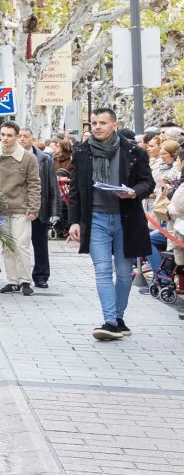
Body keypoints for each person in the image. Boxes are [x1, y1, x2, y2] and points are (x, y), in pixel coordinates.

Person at [67, 107, 155, 341]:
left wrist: (133, 193)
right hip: (95, 218)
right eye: (94, 123)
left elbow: (148, 183)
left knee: (125, 273)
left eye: (102, 123)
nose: (97, 127)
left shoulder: (133, 151)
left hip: (126, 219)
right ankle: (109, 321)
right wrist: (74, 221)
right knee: (103, 270)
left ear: (114, 125)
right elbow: (75, 190)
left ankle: (118, 318)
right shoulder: (83, 151)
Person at [0, 121, 42, 296]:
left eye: (9, 135)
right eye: (3, 135)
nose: (5, 138)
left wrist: (34, 207)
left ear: (17, 137)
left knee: (22, 245)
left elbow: (34, 184)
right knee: (6, 247)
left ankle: (25, 281)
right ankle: (12, 281)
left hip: (20, 207)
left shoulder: (28, 158)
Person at [23, 129, 56, 291]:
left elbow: (52, 187)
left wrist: (54, 211)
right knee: (19, 244)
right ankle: (20, 277)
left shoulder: (44, 159)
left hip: (39, 207)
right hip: (19, 207)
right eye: (19, 136)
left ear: (32, 139)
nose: (22, 139)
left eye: (25, 136)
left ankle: (41, 276)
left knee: (40, 243)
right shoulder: (10, 157)